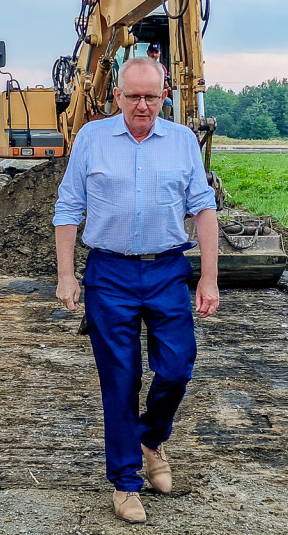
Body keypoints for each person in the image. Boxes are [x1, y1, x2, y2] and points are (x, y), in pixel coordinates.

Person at [53, 57, 220, 524]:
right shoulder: (92, 139)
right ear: (118, 96)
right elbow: (68, 208)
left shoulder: (183, 141)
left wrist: (208, 277)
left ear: (165, 95)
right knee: (121, 379)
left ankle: (151, 440)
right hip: (109, 274)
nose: (142, 106)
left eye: (151, 96)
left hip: (167, 269)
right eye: (133, 97)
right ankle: (126, 483)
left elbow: (203, 209)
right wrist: (66, 275)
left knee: (176, 368)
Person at [146, 43, 174, 116]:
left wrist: (170, 90)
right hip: (145, 94)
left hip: (158, 94)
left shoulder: (162, 68)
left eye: (156, 52)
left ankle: (164, 122)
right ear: (147, 52)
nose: (154, 55)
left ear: (159, 54)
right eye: (152, 52)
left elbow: (165, 82)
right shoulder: (143, 66)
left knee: (168, 102)